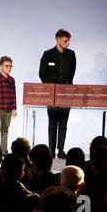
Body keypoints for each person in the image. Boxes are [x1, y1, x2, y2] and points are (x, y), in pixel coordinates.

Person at [39, 29, 76, 159]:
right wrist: (51, 88)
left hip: (66, 93)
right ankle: (51, 149)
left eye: (68, 40)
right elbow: (42, 73)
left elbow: (71, 73)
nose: (68, 43)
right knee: (52, 122)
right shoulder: (48, 54)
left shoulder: (71, 54)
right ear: (58, 40)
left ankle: (61, 150)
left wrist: (66, 88)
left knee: (64, 123)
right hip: (52, 94)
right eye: (66, 41)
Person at [0, 56, 17, 153]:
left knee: (5, 131)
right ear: (1, 67)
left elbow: (14, 95)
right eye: (6, 66)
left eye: (10, 66)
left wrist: (14, 108)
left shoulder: (12, 80)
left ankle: (3, 150)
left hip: (8, 111)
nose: (9, 68)